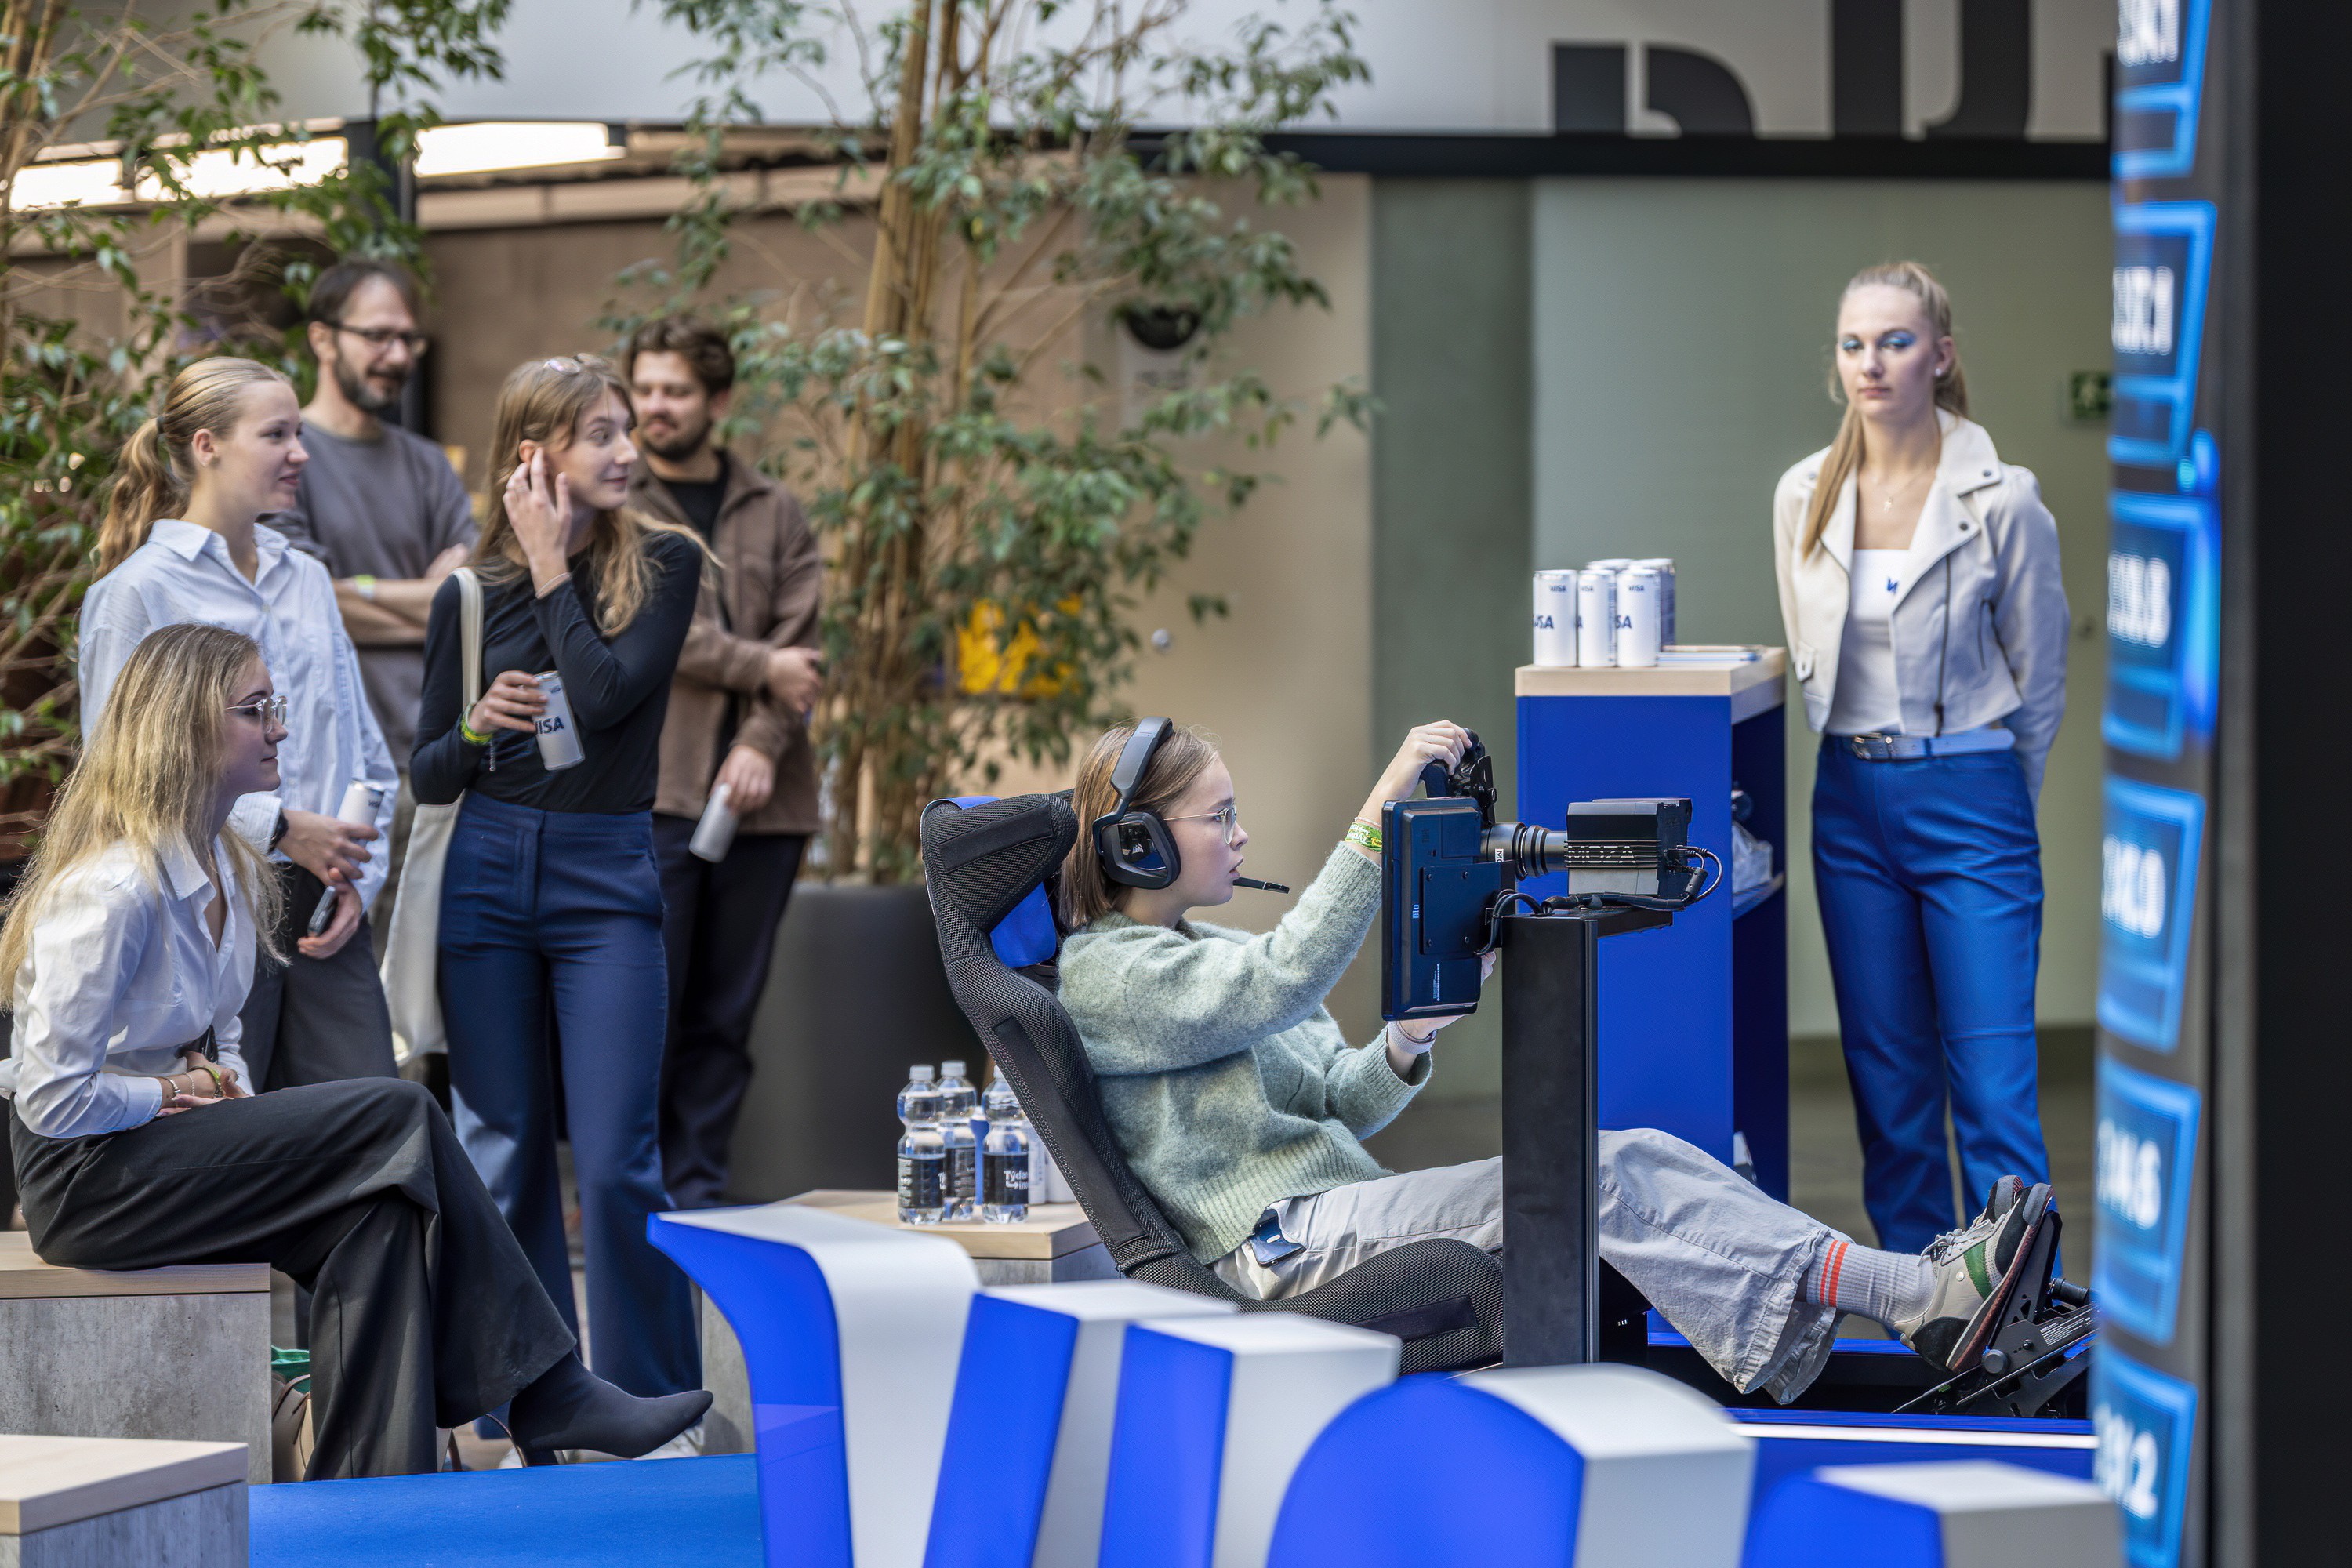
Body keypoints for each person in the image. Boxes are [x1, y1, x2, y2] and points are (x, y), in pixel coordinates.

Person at [1055, 718, 2053, 1403]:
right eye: (1218, 817)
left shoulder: (1210, 955)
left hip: (1332, 1212)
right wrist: (1381, 806)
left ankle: (1912, 1298)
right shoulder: (1109, 977)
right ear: (1139, 842)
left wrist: (1409, 1037)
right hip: (1279, 1250)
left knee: (1629, 1161)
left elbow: (1337, 1100)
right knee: (1606, 1176)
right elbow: (1287, 977)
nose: (1241, 835)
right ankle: (1915, 1297)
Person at [2, 622, 709, 1475]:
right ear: (184, 727)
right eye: (255, 709)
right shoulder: (111, 889)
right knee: (399, 1108)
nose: (280, 727)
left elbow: (223, 1038)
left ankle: (372, 1485)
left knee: (376, 1212)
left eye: (278, 705)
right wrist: (179, 1091)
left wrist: (234, 1106)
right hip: (86, 1181)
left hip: (165, 1149)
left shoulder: (228, 863)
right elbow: (51, 1099)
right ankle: (551, 1389)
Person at [412, 354, 706, 1432]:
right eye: (601, 434)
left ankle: (646, 1396)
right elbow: (428, 772)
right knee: (504, 1148)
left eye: (625, 429)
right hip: (487, 873)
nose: (627, 451)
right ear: (535, 454)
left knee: (622, 1155)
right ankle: (524, 1404)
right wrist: (478, 726)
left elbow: (611, 694)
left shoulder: (665, 567)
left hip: (606, 874)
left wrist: (547, 565)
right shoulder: (465, 594)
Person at [1772, 262, 2067, 1254]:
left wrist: (1992, 793)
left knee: (1990, 1081)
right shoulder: (1802, 495)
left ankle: (2015, 1324)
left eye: (1895, 341)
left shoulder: (2007, 499)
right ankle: (1920, 1318)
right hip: (1849, 797)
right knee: (1889, 1082)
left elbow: (2043, 674)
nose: (1872, 362)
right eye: (1854, 343)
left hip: (1973, 791)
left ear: (1940, 356)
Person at [80, 357, 399, 1092]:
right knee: (239, 1143)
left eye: (298, 432)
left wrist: (359, 876)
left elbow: (365, 751)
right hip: (207, 907)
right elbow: (120, 772)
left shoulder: (309, 578)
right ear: (206, 445)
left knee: (370, 1133)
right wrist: (283, 828)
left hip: (328, 902)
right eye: (277, 433)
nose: (301, 451)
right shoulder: (137, 592)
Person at [622, 316, 824, 1208]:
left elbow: (804, 650)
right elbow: (652, 634)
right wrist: (763, 669)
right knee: (646, 1007)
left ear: (718, 400)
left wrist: (758, 742)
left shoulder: (774, 508)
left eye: (675, 390)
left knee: (725, 1013)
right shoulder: (620, 502)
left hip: (767, 805)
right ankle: (629, 1189)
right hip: (656, 794)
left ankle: (697, 1188)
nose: (655, 407)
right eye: (645, 389)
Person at [269, 260, 477, 964]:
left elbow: (477, 599)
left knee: (439, 972)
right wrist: (426, 599)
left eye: (408, 340)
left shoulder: (428, 466)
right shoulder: (287, 459)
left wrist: (353, 593)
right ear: (323, 339)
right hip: (343, 770)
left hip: (442, 752)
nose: (398, 357)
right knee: (360, 964)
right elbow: (303, 603)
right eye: (379, 336)